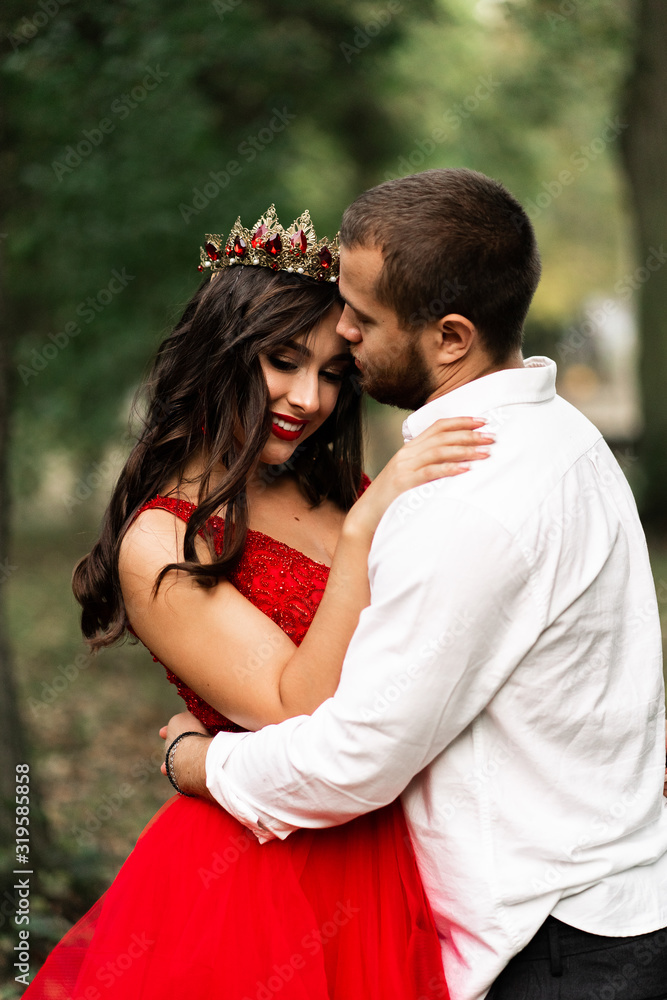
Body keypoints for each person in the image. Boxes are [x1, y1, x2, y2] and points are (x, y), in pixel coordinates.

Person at [165, 169, 667, 1000]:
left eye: (361, 318)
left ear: (450, 338)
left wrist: (201, 762)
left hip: (550, 943)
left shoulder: (464, 499)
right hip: (606, 905)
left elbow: (356, 760)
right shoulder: (567, 440)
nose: (345, 332)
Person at [25, 205, 492, 999]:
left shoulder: (338, 491)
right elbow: (294, 708)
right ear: (222, 355)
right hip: (262, 875)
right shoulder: (165, 541)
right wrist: (363, 536)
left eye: (331, 373)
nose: (308, 398)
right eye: (281, 362)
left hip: (402, 836)